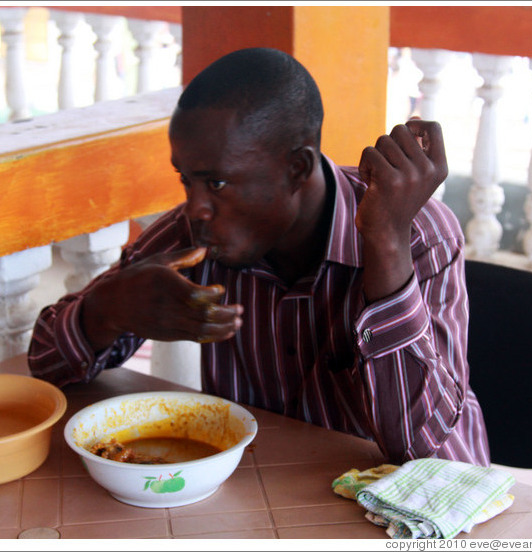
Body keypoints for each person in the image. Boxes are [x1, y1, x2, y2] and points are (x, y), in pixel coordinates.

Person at [28, 47, 490, 467]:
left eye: (217, 183)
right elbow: (44, 364)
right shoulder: (198, 233)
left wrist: (385, 244)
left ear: (297, 169)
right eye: (186, 181)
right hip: (263, 497)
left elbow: (428, 458)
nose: (196, 207)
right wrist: (108, 308)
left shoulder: (419, 234)